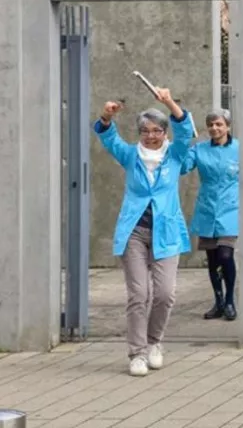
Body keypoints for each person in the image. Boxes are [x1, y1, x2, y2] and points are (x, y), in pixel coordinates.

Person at [93, 88, 195, 377]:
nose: (151, 136)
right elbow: (106, 135)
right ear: (139, 133)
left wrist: (169, 102)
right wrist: (107, 115)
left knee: (164, 294)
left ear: (164, 132)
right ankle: (136, 353)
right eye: (145, 131)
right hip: (135, 233)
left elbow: (185, 129)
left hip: (167, 232)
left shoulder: (175, 155)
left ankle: (154, 343)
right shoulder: (130, 155)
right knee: (139, 294)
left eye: (156, 131)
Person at [180, 109, 240, 322]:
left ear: (228, 126)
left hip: (231, 208)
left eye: (219, 124)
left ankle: (231, 300)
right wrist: (180, 146)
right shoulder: (199, 150)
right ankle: (218, 300)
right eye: (211, 125)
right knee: (213, 259)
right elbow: (183, 166)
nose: (215, 128)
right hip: (207, 208)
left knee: (226, 255)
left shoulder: (240, 149)